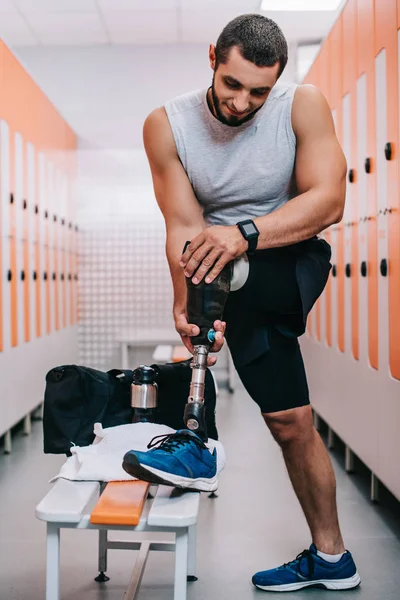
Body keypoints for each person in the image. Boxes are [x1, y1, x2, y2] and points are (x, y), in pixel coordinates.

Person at [142, 13, 361, 593]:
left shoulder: (301, 105)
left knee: (225, 267)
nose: (242, 103)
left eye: (258, 92)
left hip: (290, 259)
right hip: (219, 269)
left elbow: (329, 200)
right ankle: (333, 557)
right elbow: (182, 227)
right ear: (214, 56)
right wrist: (183, 303)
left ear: (278, 82)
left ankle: (196, 442)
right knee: (289, 420)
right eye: (232, 85)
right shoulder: (167, 126)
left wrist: (244, 233)